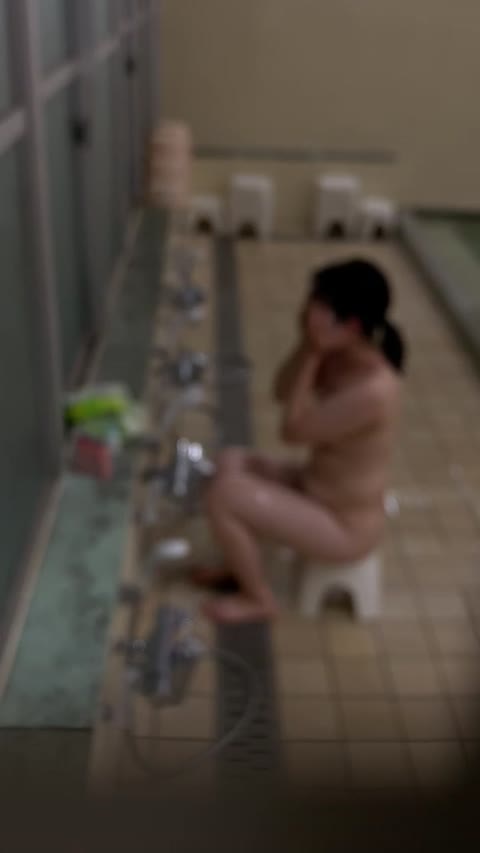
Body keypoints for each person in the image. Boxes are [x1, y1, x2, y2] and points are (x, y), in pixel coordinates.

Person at [193, 259, 406, 623]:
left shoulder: (374, 390)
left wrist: (315, 352)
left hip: (344, 526)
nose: (307, 309)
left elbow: (292, 431)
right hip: (315, 488)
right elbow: (282, 390)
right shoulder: (339, 355)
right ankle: (236, 566)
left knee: (225, 495)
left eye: (318, 304)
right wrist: (308, 347)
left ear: (351, 325)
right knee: (229, 462)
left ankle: (259, 599)